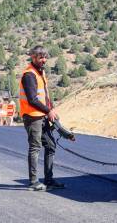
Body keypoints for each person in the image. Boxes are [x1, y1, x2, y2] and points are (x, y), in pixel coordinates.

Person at [19, 46, 75, 191]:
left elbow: (44, 96)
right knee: (35, 147)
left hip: (42, 115)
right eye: (40, 57)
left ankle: (49, 180)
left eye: (45, 57)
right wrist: (48, 110)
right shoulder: (29, 75)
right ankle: (33, 181)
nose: (43, 60)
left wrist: (52, 109)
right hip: (32, 117)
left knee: (50, 145)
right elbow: (32, 100)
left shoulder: (40, 73)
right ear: (33, 57)